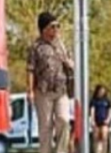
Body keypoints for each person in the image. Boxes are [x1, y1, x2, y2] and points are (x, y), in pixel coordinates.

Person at [28, 11, 74, 153]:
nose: (56, 30)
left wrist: (69, 63)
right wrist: (29, 91)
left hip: (62, 90)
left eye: (57, 26)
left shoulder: (62, 45)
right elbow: (30, 69)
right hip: (43, 91)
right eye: (52, 27)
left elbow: (72, 63)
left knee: (64, 120)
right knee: (45, 127)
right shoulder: (35, 47)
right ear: (44, 29)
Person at [90, 85, 111, 153]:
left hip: (104, 121)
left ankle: (104, 151)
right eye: (100, 90)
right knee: (96, 138)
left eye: (103, 90)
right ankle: (96, 151)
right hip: (96, 121)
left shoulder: (107, 100)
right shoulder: (94, 100)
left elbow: (110, 111)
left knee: (104, 136)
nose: (102, 92)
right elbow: (92, 110)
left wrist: (108, 119)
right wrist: (92, 120)